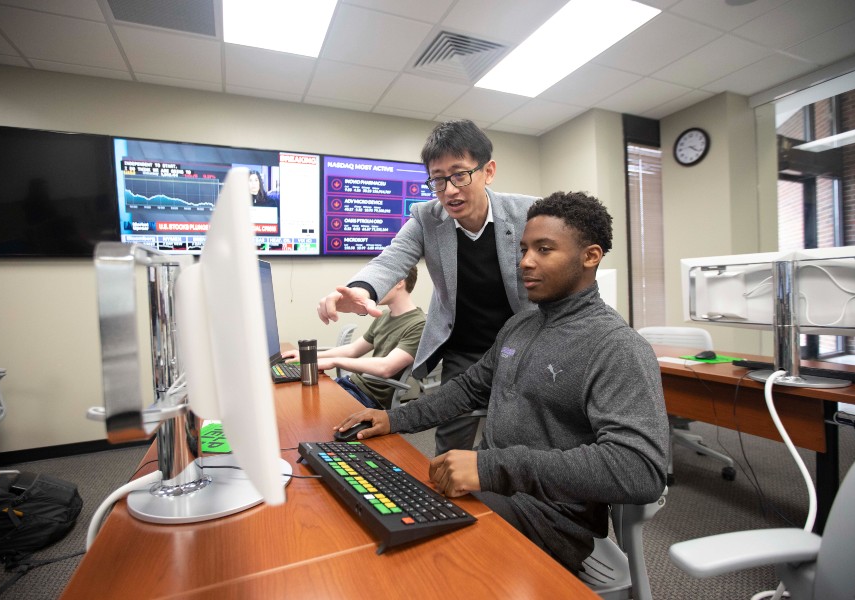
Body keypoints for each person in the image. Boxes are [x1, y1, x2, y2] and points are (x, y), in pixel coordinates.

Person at [333, 191, 669, 574]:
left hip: (549, 518)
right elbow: (468, 388)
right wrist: (394, 420)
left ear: (590, 256)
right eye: (524, 249)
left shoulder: (617, 347)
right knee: (380, 513)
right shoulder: (519, 326)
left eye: (543, 250)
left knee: (413, 561)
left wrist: (492, 467)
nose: (524, 262)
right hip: (492, 489)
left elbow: (639, 469)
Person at [317, 119, 538, 454]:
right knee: (450, 443)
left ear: (488, 171)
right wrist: (361, 289)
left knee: (519, 438)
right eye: (437, 179)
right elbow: (391, 259)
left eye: (459, 174)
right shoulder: (427, 218)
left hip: (523, 345)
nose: (449, 190)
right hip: (464, 349)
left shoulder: (528, 213)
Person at [286, 267, 425, 410]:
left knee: (300, 408)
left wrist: (334, 362)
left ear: (399, 282)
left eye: (380, 282)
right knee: (293, 398)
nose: (374, 289)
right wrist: (307, 356)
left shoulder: (419, 324)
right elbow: (353, 350)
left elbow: (386, 368)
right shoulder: (383, 316)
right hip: (351, 384)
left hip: (370, 398)